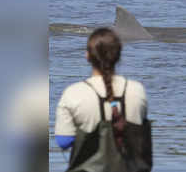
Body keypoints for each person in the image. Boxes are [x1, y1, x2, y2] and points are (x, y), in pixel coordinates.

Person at [55, 27, 152, 172]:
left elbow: (63, 142)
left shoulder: (73, 93)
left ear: (87, 56)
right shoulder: (137, 90)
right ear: (119, 55)